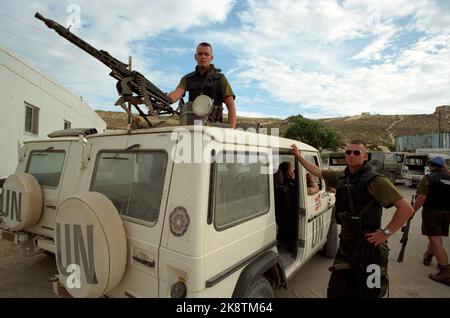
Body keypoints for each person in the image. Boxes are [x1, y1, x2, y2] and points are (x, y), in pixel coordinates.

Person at [291, 140, 413, 298]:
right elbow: (317, 172)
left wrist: (385, 233)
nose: (351, 156)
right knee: (338, 289)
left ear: (364, 156)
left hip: (369, 246)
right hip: (347, 244)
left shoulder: (376, 181)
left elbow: (406, 208)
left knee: (370, 292)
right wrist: (298, 156)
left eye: (356, 152)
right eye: (348, 152)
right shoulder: (342, 177)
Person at [168, 42, 236, 128]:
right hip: (192, 126)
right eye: (200, 54)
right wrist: (164, 100)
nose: (203, 57)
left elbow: (231, 106)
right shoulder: (187, 78)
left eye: (206, 54)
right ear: (195, 57)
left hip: (214, 127)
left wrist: (231, 130)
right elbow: (177, 93)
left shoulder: (220, 78)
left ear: (211, 58)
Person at [412, 156, 450, 286]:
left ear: (430, 165)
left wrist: (412, 211)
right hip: (446, 213)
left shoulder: (428, 178)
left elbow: (421, 197)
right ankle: (428, 254)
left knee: (435, 239)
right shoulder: (449, 177)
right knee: (436, 237)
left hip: (432, 212)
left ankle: (445, 271)